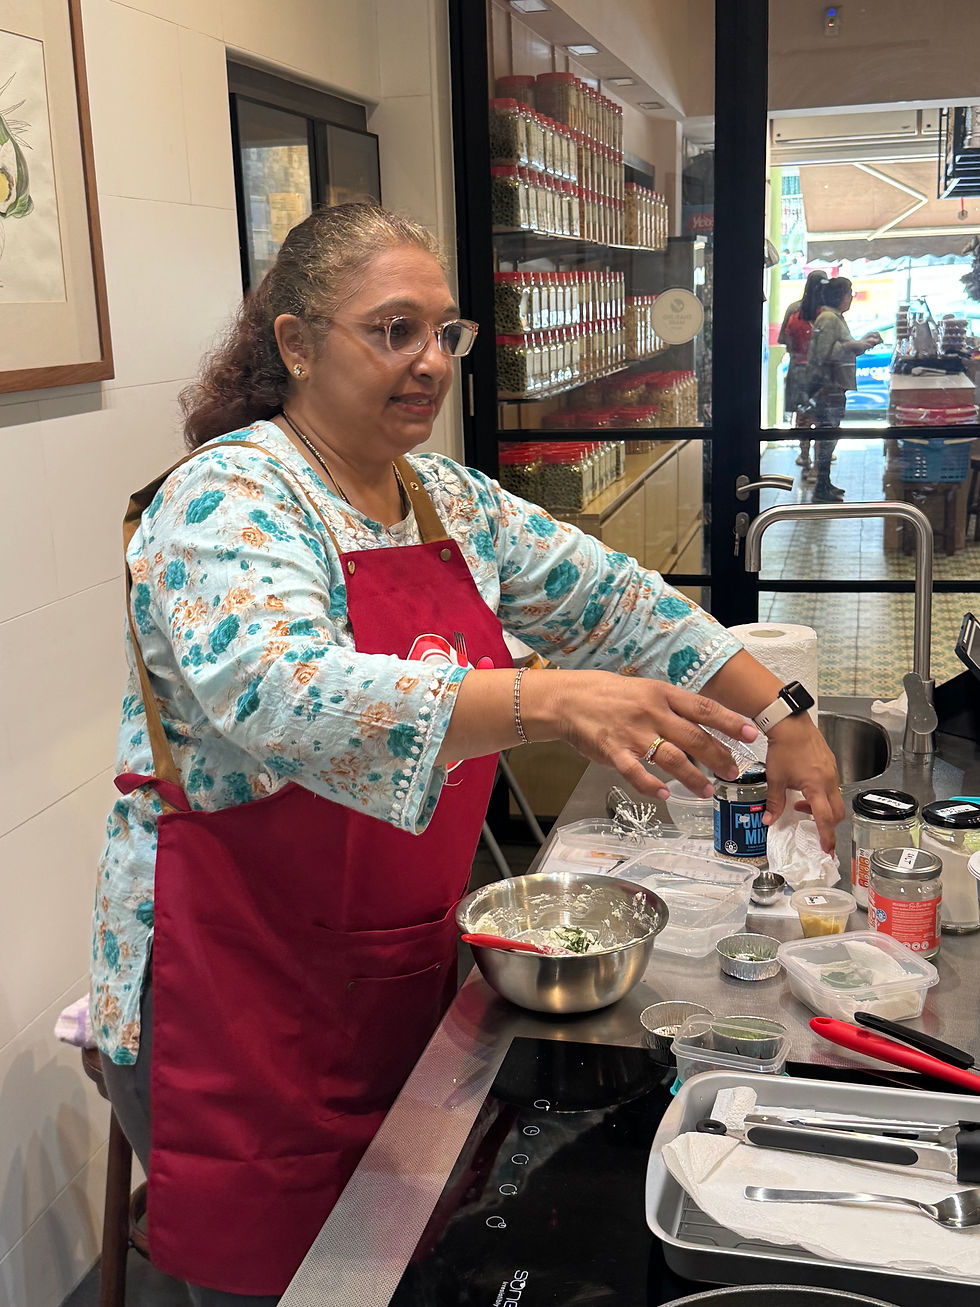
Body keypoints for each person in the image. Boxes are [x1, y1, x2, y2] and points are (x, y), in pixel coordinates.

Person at [91, 203, 843, 1305]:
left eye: (446, 332)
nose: (432, 361)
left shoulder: (443, 497)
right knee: (277, 1282)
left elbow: (613, 600)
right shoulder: (230, 496)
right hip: (233, 985)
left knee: (380, 1260)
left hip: (381, 962)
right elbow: (280, 691)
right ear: (295, 344)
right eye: (393, 330)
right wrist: (543, 698)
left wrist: (782, 713)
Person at [805, 276, 882, 502]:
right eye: (849, 294)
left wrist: (860, 343)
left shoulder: (834, 317)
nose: (851, 298)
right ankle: (821, 487)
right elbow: (824, 354)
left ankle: (825, 483)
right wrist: (851, 345)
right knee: (827, 436)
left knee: (831, 436)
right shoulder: (829, 318)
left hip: (834, 387)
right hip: (828, 387)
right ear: (840, 296)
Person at [777, 269, 827, 474]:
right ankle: (817, 466)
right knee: (821, 418)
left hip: (798, 369)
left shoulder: (794, 309)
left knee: (803, 417)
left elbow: (783, 339)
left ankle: (804, 458)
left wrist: (797, 351)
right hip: (822, 372)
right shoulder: (827, 313)